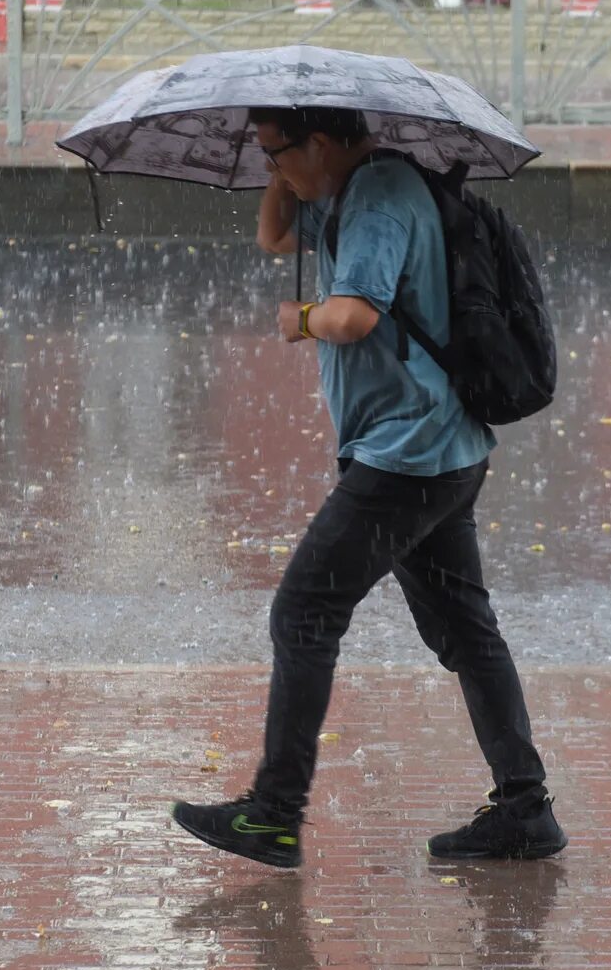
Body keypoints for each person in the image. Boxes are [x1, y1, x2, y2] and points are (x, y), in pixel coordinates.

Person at [170, 105, 567, 867]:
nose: (272, 167)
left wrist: (302, 317)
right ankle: (525, 807)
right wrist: (280, 168)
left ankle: (275, 814)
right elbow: (276, 237)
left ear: (323, 141)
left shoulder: (381, 197)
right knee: (465, 632)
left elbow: (352, 316)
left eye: (279, 151)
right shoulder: (345, 189)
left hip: (407, 454)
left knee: (304, 612)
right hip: (437, 447)